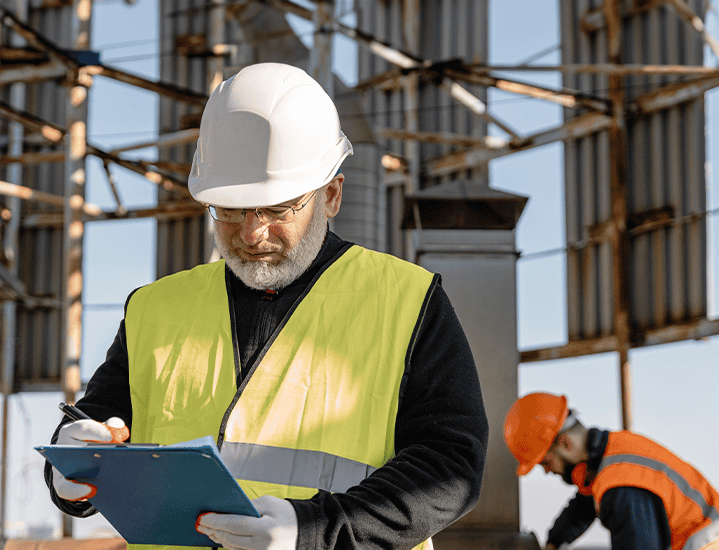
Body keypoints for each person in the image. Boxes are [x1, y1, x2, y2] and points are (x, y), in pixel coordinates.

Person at [44, 62, 488, 550]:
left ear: (332, 195)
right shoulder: (154, 310)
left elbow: (450, 467)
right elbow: (96, 430)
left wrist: (316, 530)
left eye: (278, 210)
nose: (252, 234)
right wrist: (70, 469)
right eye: (231, 209)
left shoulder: (409, 303)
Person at [504, 392, 719, 550]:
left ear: (565, 444)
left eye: (545, 463)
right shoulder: (610, 455)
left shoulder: (621, 487)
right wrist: (553, 542)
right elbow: (583, 506)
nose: (547, 472)